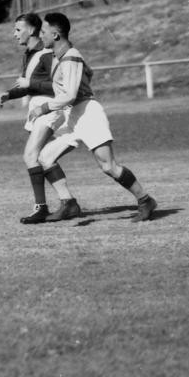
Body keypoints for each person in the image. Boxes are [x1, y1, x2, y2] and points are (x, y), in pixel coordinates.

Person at [28, 12, 157, 222]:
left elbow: (69, 94)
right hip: (74, 115)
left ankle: (145, 200)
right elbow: (85, 76)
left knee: (108, 166)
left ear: (56, 34)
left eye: (43, 32)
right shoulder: (61, 57)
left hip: (88, 113)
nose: (40, 35)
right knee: (45, 157)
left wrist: (44, 107)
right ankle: (68, 204)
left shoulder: (70, 57)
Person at [0, 12, 61, 224]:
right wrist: (10, 94)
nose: (14, 34)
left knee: (31, 156)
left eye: (18, 29)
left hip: (49, 109)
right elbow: (27, 86)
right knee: (44, 158)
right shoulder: (28, 54)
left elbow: (58, 86)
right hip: (36, 110)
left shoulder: (47, 54)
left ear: (32, 30)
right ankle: (68, 201)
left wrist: (29, 86)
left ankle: (42, 208)